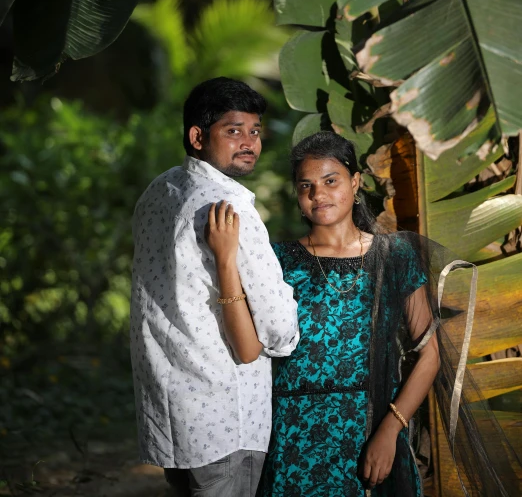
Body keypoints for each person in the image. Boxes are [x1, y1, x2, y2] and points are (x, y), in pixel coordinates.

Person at [208, 130, 522, 497]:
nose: (318, 194)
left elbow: (430, 355)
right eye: (305, 185)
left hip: (370, 428)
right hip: (293, 433)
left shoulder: (394, 257)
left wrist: (391, 429)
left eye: (330, 181)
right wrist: (226, 261)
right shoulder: (277, 260)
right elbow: (248, 348)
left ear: (355, 183)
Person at [129, 77, 299, 497]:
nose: (249, 143)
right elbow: (278, 331)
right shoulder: (229, 206)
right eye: (233, 130)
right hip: (226, 413)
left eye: (255, 131)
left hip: (172, 411)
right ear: (198, 136)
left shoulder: (160, 191)